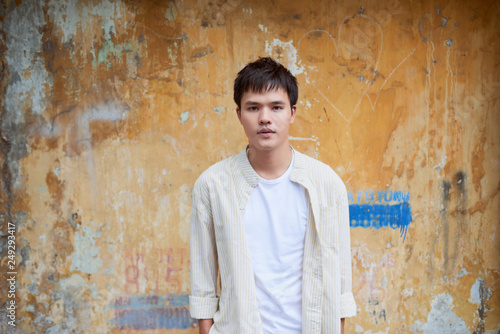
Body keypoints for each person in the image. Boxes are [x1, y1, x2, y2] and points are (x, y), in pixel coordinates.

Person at [189, 57, 356, 334]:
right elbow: (202, 283)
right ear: (239, 114)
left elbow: (339, 283)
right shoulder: (212, 185)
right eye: (253, 107)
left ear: (292, 112)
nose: (264, 117)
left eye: (275, 107)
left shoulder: (326, 184)